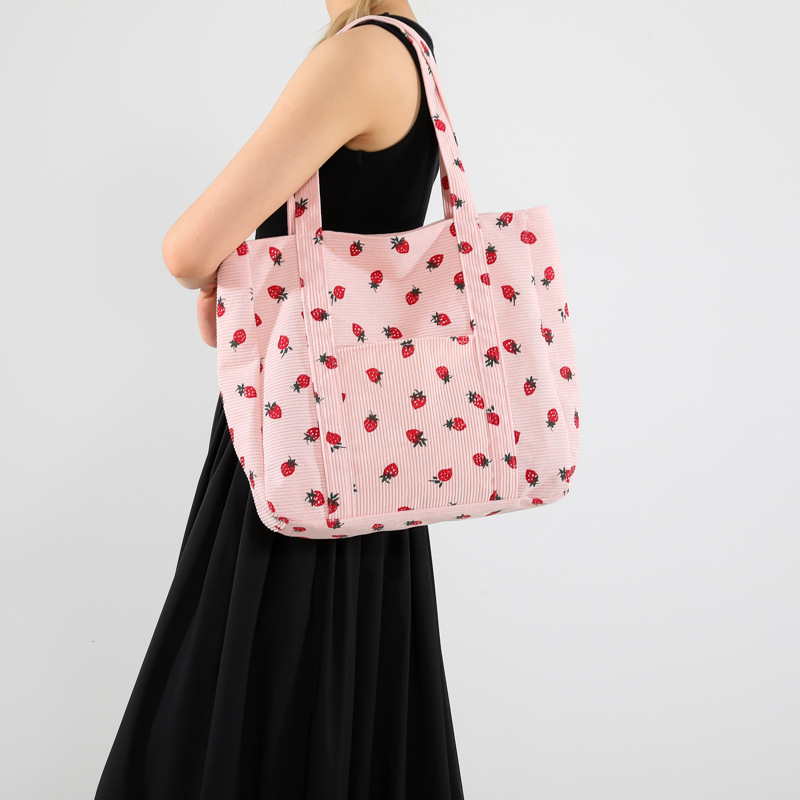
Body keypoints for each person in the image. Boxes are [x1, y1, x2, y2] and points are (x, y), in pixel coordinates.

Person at [94, 1, 466, 798]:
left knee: (239, 715)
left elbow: (186, 248)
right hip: (358, 450)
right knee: (324, 714)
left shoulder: (361, 54)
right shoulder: (413, 51)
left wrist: (215, 277)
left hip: (300, 445)